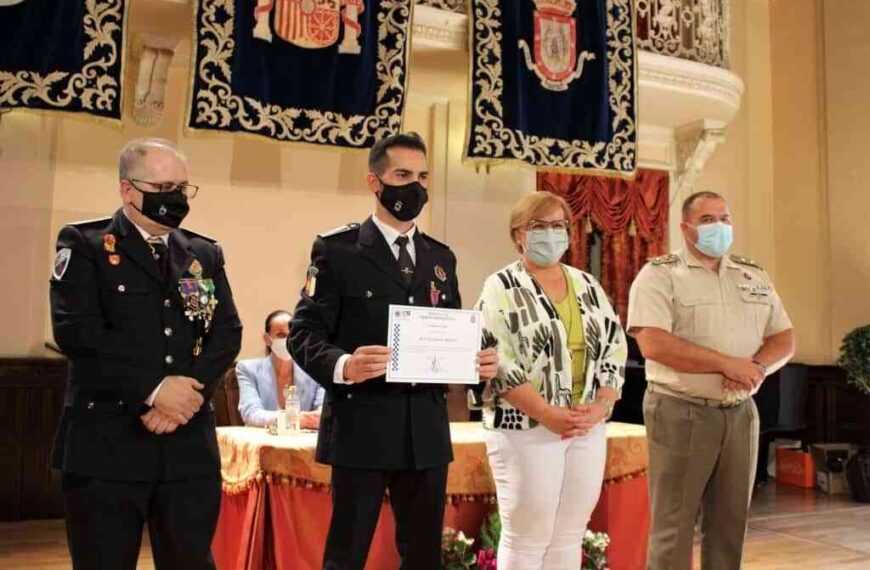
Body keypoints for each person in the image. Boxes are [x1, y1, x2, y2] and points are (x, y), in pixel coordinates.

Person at [289, 132, 498, 570]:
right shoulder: (337, 250)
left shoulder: (440, 258)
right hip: (361, 424)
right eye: (402, 174)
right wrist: (344, 365)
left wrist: (477, 362)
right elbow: (303, 333)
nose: (415, 186)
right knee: (347, 553)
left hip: (424, 430)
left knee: (423, 557)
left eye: (422, 176)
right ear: (375, 182)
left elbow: (452, 330)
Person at [49, 137, 242, 570]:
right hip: (108, 445)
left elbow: (227, 333)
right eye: (162, 188)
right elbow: (76, 332)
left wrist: (187, 397)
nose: (174, 199)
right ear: (127, 190)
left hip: (187, 447)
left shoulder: (202, 253)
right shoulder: (86, 244)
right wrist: (154, 390)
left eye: (182, 187)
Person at [627, 191, 795, 570]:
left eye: (725, 218)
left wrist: (757, 368)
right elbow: (653, 343)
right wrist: (727, 365)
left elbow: (784, 338)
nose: (719, 226)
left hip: (740, 414)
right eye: (708, 220)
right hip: (680, 411)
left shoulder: (753, 274)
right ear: (686, 229)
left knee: (730, 526)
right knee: (674, 527)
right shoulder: (660, 274)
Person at [473, 191, 627, 570]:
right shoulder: (501, 286)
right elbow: (500, 358)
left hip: (585, 426)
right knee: (528, 536)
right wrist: (546, 413)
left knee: (569, 534)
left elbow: (614, 346)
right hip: (525, 426)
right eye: (539, 226)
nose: (551, 234)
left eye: (559, 226)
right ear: (518, 235)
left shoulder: (588, 285)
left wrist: (601, 406)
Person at [236, 309, 324, 428]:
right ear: (267, 339)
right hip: (264, 442)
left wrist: (317, 417)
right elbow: (251, 413)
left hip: (303, 443)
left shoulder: (313, 370)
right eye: (281, 335)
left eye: (292, 335)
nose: (288, 340)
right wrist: (293, 419)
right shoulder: (248, 369)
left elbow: (322, 412)